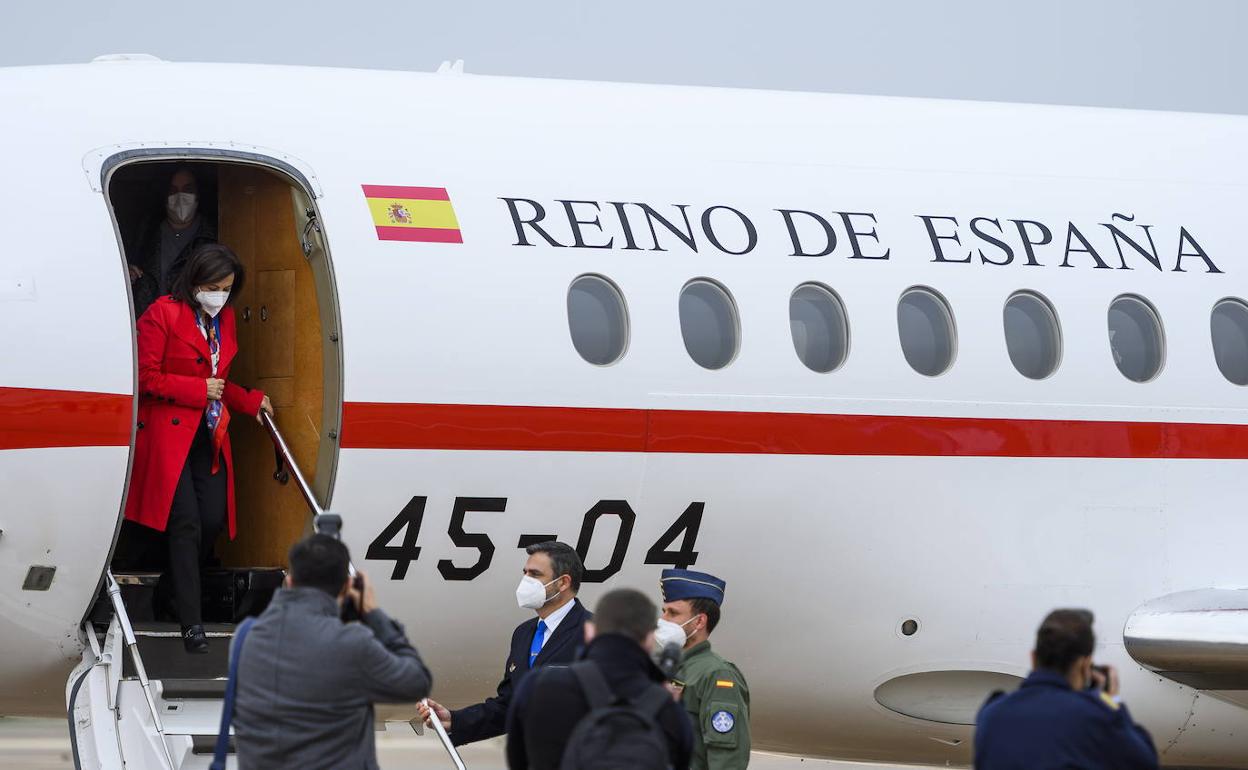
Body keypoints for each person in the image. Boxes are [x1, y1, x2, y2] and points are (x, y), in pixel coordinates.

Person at [119, 243, 271, 653]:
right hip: (169, 434)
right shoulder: (162, 314)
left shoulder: (224, 322)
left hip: (206, 433)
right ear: (193, 282)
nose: (218, 294)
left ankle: (169, 591)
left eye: (225, 288)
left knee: (212, 520)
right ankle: (191, 623)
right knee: (185, 522)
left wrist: (250, 401)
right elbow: (144, 377)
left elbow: (218, 383)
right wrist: (196, 390)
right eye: (212, 286)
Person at [231, 535, 432, 770]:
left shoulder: (246, 638)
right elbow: (417, 681)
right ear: (347, 587)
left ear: (289, 581)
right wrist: (373, 614)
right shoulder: (351, 645)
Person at [419, 541, 590, 745]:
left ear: (563, 583)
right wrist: (455, 720)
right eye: (525, 573)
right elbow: (510, 706)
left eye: (535, 575)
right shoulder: (524, 634)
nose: (525, 581)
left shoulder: (596, 633)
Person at [506, 588, 693, 770]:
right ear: (650, 639)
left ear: (589, 631)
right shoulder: (668, 705)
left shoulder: (539, 686)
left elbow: (517, 759)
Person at [973, 608, 1159, 769]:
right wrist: (1111, 701)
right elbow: (1144, 762)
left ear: (1033, 657)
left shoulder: (991, 714)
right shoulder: (1096, 717)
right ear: (1085, 666)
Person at [657, 569, 751, 770]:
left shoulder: (717, 675)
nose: (663, 620)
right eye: (663, 611)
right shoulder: (661, 669)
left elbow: (726, 759)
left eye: (672, 613)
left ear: (699, 621)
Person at [127, 166, 217, 319]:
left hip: (192, 329)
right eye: (173, 190)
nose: (180, 196)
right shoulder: (145, 233)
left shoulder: (214, 236)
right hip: (151, 326)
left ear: (198, 194)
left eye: (187, 189)